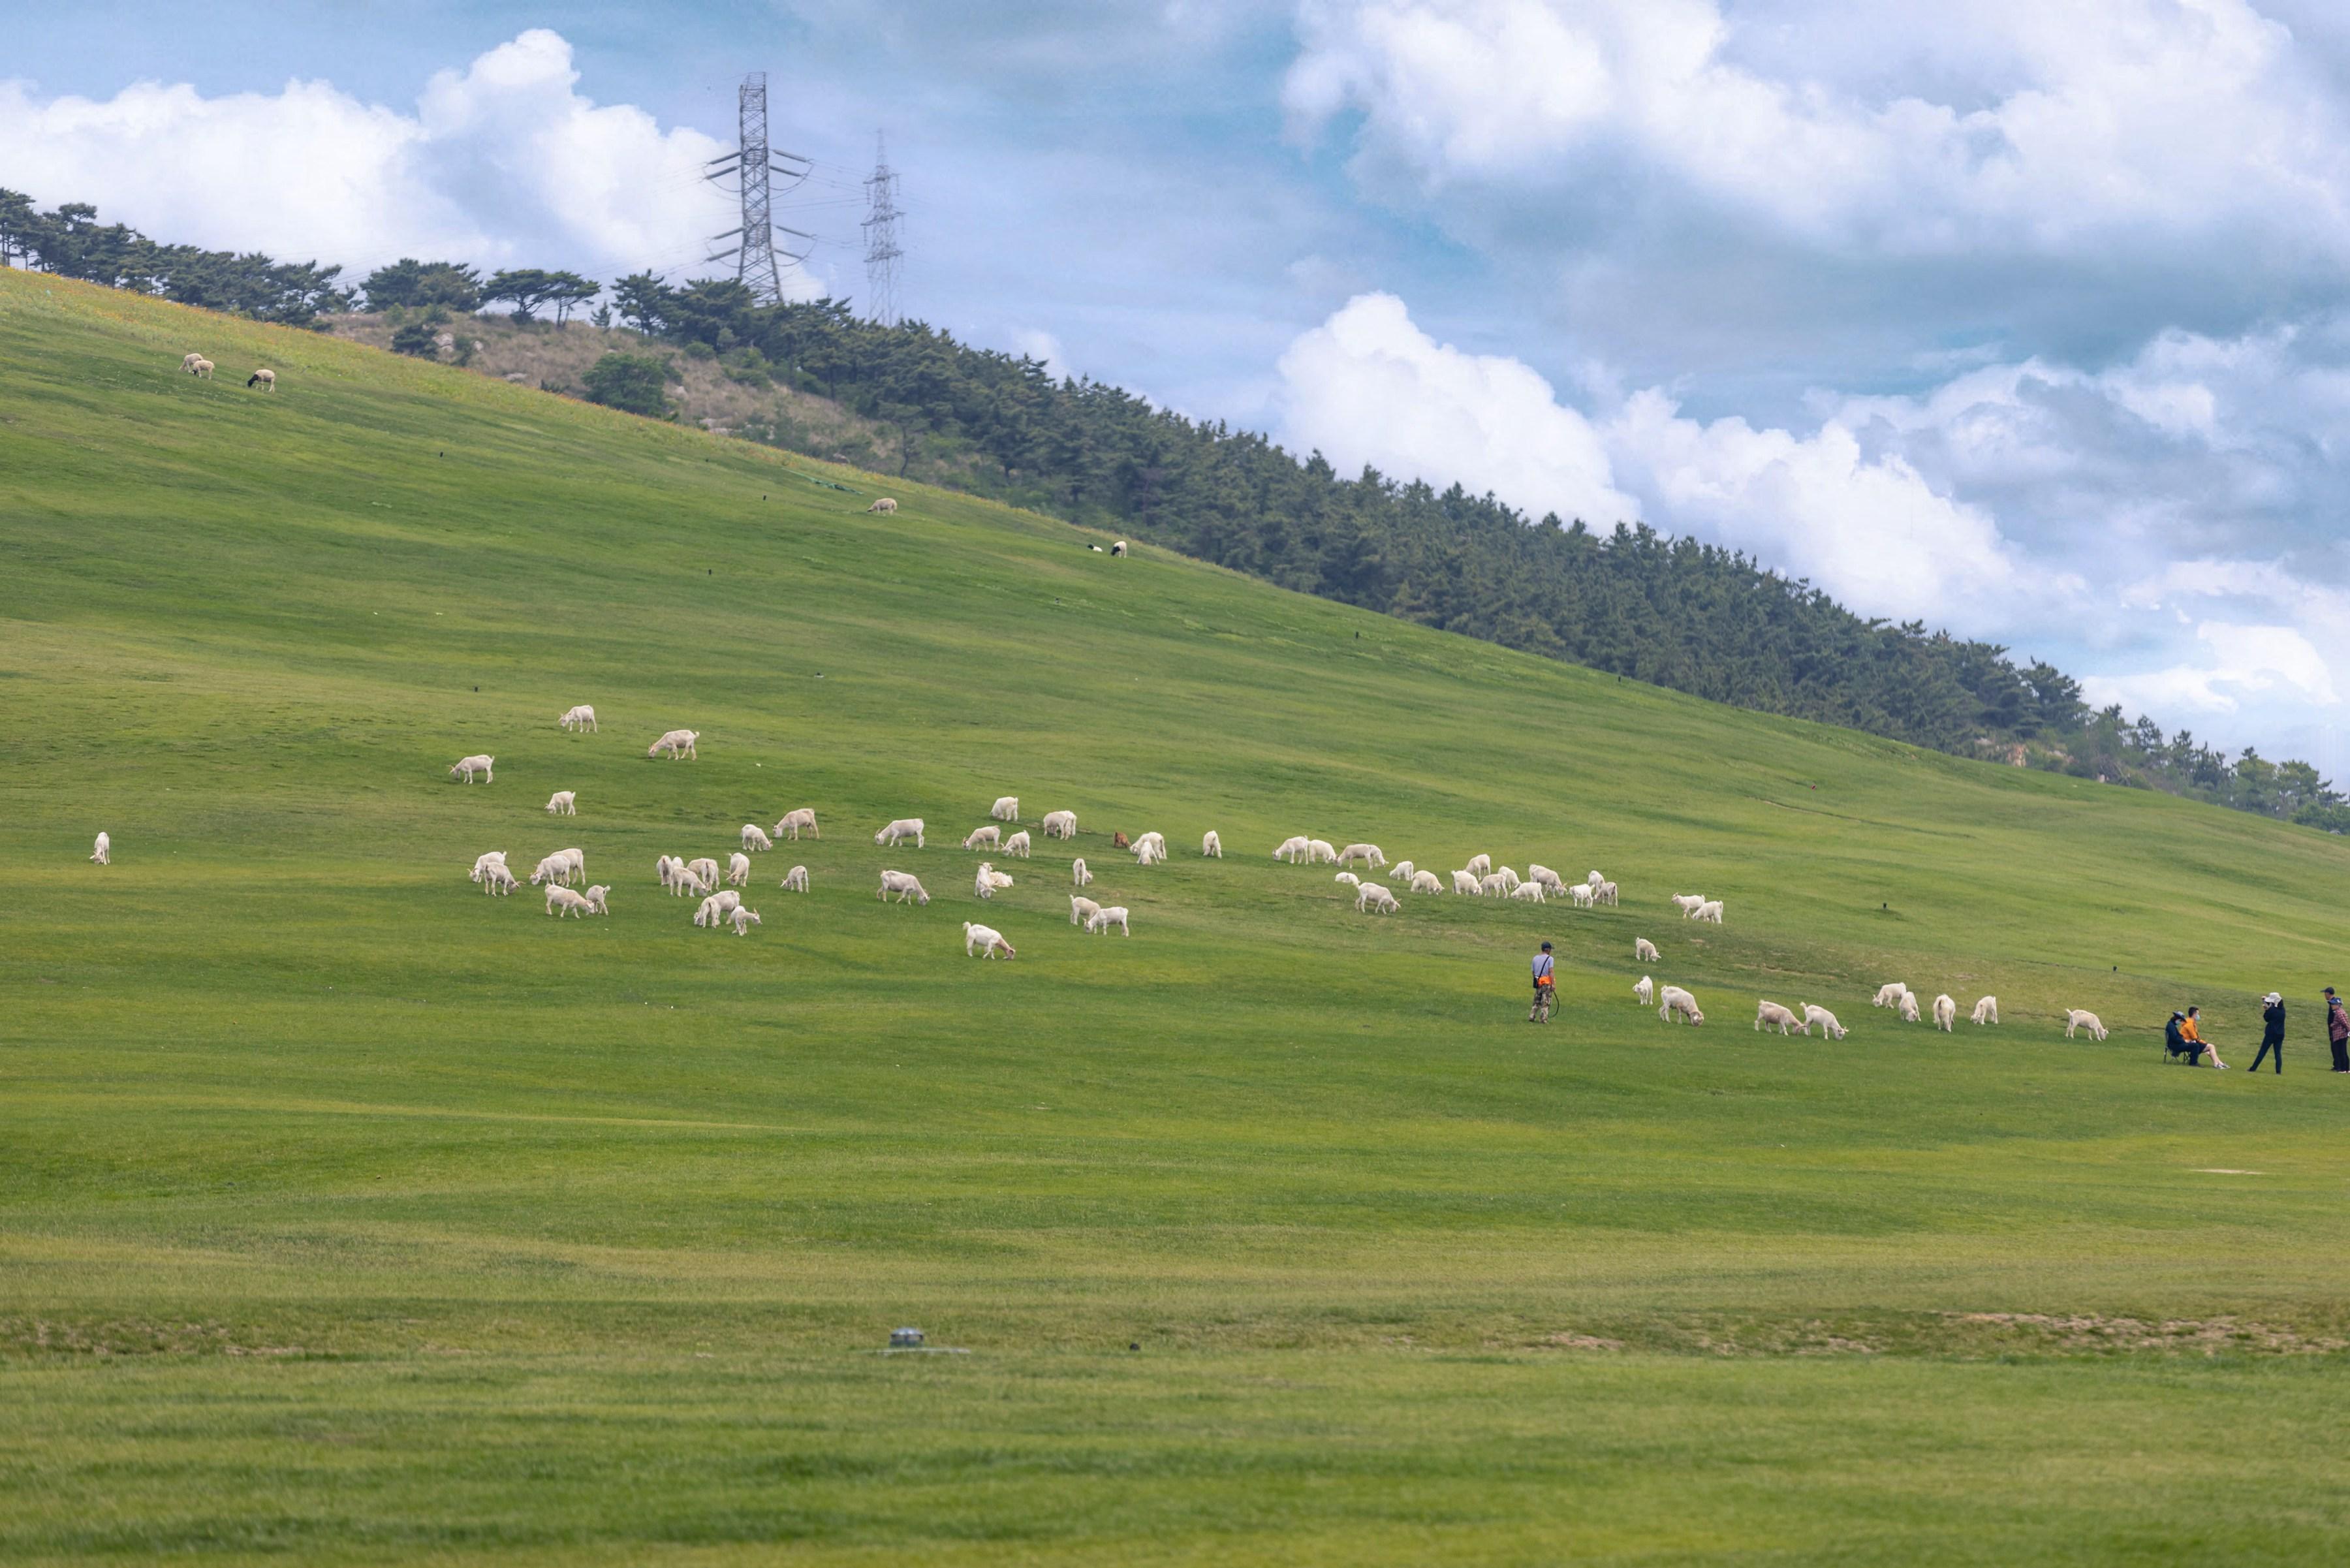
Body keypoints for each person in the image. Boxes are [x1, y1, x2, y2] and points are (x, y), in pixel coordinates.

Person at [2182, 1005, 2227, 1069]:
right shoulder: (2190, 1024)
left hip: (2192, 1043)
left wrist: (2203, 1043)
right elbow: (2195, 1037)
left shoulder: (2190, 1023)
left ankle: (2219, 1063)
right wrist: (2204, 1043)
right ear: (2194, 1014)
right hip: (2190, 1044)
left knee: (2210, 1048)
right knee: (2211, 1046)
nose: (2198, 1016)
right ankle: (2217, 1064)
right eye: (2198, 1014)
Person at [2251, 993, 2285, 1074]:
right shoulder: (2283, 1010)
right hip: (2280, 1034)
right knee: (2277, 1053)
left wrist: (2266, 1010)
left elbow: (2266, 1018)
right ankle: (2278, 1071)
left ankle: (2253, 1068)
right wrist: (2265, 1001)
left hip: (2271, 1034)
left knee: (2262, 1051)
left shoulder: (2272, 1010)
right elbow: (2272, 1006)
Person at [1529, 941, 1556, 1022]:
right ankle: (1543, 1019)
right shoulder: (1550, 959)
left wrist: (1537, 980)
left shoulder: (1535, 958)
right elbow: (1551, 971)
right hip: (1547, 983)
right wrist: (1553, 984)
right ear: (1547, 950)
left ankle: (1532, 1016)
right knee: (1546, 1002)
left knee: (1536, 1001)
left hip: (1538, 983)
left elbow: (1533, 972)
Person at [2328, 988, 2349, 1074]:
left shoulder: (2338, 1013)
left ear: (2338, 1005)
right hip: (2343, 1035)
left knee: (2341, 1052)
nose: (2332, 1006)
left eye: (2333, 1004)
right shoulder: (2341, 1011)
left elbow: (2344, 1023)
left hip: (2340, 1035)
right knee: (2344, 1051)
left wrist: (2333, 1025)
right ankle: (2347, 1069)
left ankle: (2343, 1069)